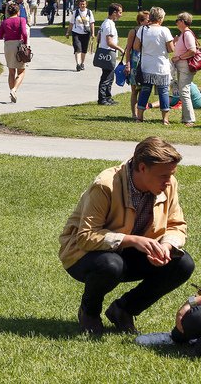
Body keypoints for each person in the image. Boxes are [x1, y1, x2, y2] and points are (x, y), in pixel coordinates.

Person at [60, 137, 194, 335]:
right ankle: (89, 312)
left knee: (182, 264)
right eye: (163, 175)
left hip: (130, 254)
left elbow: (176, 225)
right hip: (83, 255)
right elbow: (86, 236)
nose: (169, 181)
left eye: (171, 174)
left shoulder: (169, 183)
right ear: (142, 167)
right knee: (111, 265)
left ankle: (123, 310)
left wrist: (166, 247)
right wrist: (132, 240)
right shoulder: (106, 185)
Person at [135, 7, 174, 125]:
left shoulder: (142, 29)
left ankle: (139, 116)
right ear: (160, 18)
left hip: (146, 65)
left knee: (145, 91)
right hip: (161, 66)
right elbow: (171, 49)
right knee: (163, 92)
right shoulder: (164, 30)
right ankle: (165, 119)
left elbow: (136, 46)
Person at [0, 2, 29, 103]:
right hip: (18, 45)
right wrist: (25, 43)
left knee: (11, 71)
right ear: (18, 11)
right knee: (22, 71)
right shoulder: (21, 20)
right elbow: (24, 33)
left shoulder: (4, 22)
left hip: (8, 46)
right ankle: (14, 90)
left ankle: (12, 93)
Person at [171, 12, 198, 127]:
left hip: (185, 65)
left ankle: (189, 119)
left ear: (182, 21)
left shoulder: (187, 34)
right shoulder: (183, 34)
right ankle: (185, 118)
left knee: (184, 91)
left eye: (177, 21)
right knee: (183, 91)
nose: (176, 23)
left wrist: (179, 57)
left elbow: (192, 50)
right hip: (182, 65)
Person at [97, 4, 124, 106]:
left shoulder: (105, 23)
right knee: (106, 77)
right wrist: (120, 49)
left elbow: (98, 38)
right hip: (108, 53)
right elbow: (109, 42)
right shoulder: (109, 25)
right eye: (120, 12)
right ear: (114, 13)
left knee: (110, 76)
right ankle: (102, 98)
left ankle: (108, 97)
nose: (121, 15)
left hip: (106, 52)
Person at [125, 11, 150, 119]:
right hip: (135, 62)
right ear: (141, 21)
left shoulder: (149, 31)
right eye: (147, 20)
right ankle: (134, 114)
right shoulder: (133, 31)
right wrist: (128, 64)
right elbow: (128, 49)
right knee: (135, 90)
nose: (149, 22)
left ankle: (141, 114)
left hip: (146, 61)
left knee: (144, 89)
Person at [67, 0, 95, 72]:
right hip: (76, 33)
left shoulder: (89, 12)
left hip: (86, 33)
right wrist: (68, 32)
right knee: (77, 48)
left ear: (86, 5)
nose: (82, 5)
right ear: (79, 5)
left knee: (84, 50)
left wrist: (93, 33)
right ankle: (78, 64)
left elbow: (92, 23)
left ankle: (82, 63)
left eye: (84, 4)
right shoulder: (75, 12)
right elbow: (71, 23)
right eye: (81, 4)